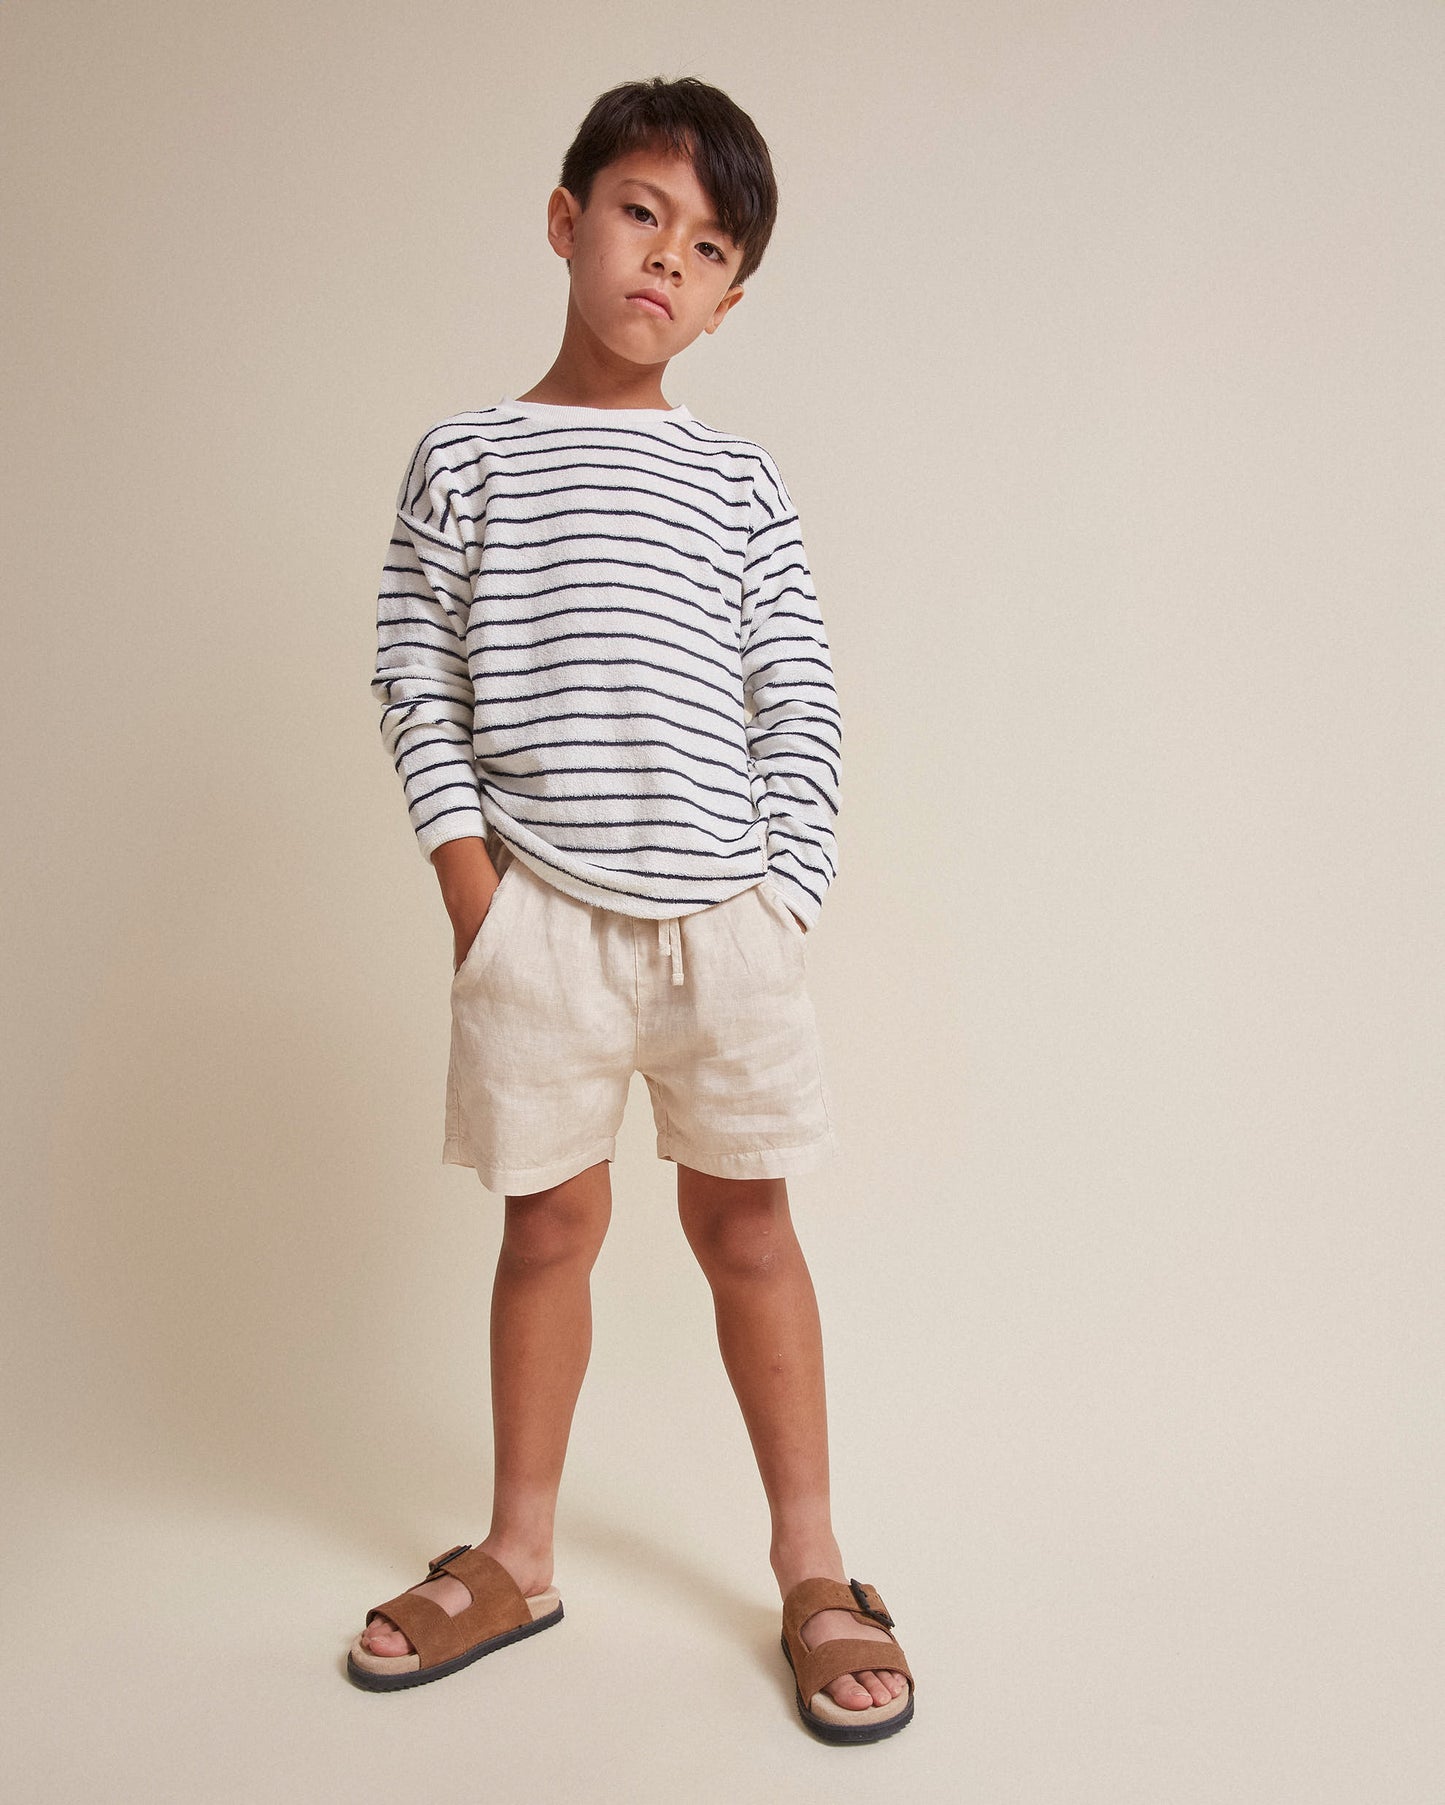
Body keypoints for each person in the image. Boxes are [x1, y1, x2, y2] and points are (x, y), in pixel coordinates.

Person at [350, 74, 916, 1743]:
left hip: (722, 927)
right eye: (640, 213)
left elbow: (794, 693)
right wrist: (476, 896)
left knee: (750, 1230)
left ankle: (811, 1562)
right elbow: (413, 674)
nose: (667, 257)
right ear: (566, 220)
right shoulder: (468, 455)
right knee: (546, 1227)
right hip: (540, 924)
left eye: (709, 245)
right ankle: (518, 1553)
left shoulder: (735, 481)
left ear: (731, 299)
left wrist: (781, 896)